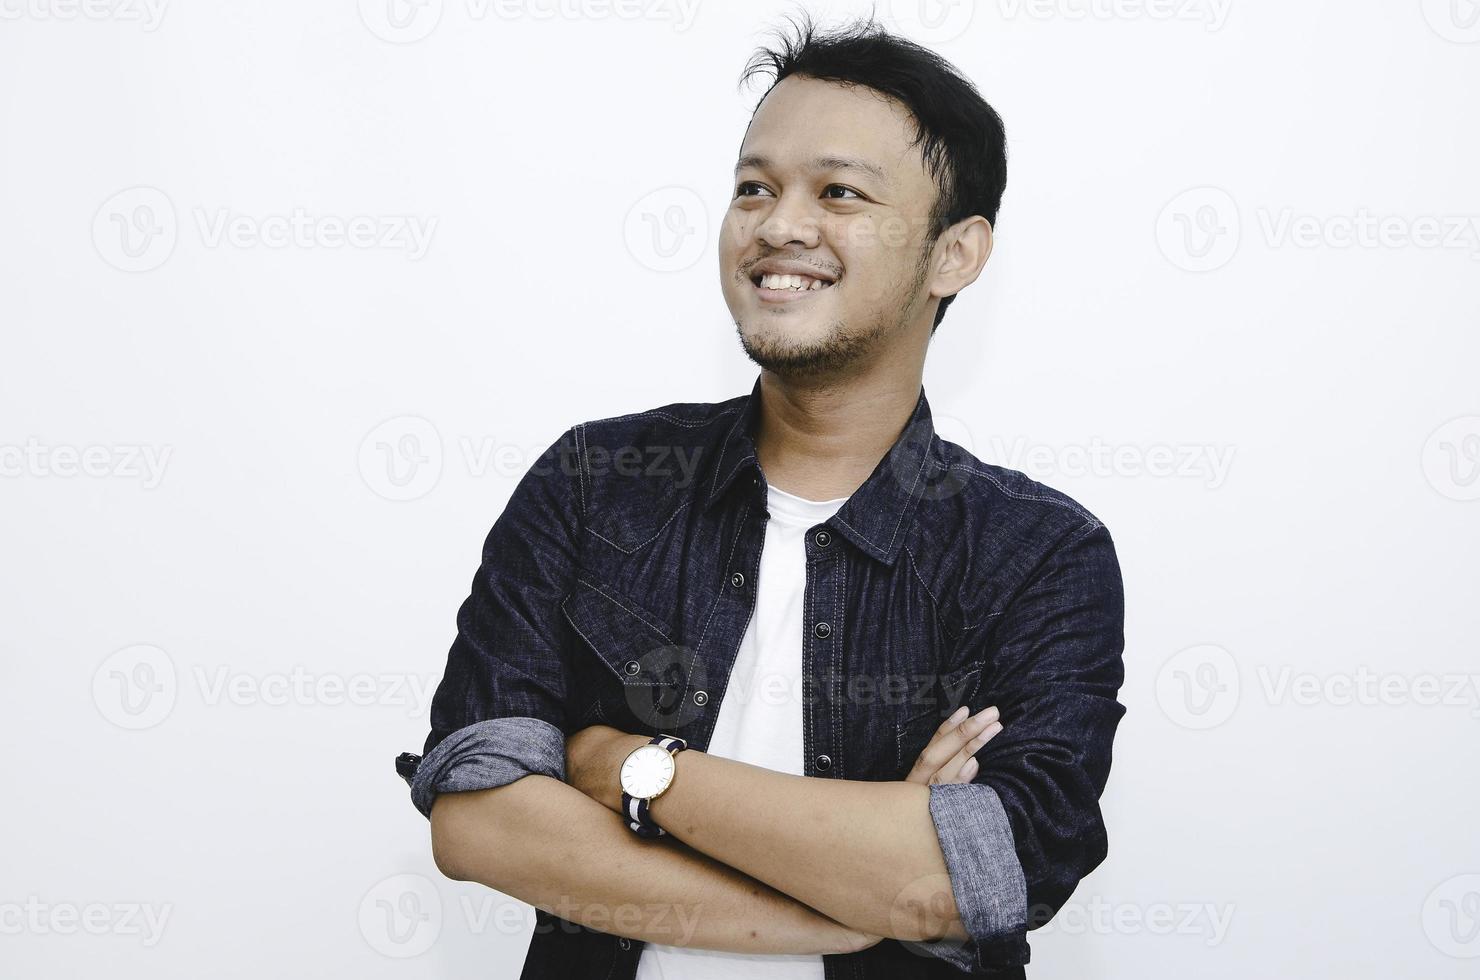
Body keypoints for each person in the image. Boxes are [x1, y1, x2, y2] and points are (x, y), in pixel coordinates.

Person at [398, 11, 1126, 979]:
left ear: (954, 253)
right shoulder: (594, 483)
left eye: (837, 191)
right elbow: (477, 820)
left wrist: (625, 765)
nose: (779, 224)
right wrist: (850, 900)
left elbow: (980, 874)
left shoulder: (1035, 553)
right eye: (754, 187)